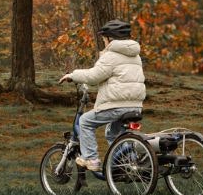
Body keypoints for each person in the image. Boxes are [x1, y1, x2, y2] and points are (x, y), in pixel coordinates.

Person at [58, 20, 146, 172]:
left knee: (85, 121)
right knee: (112, 133)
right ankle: (128, 164)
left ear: (110, 38)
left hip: (116, 105)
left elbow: (94, 76)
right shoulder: (135, 56)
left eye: (104, 39)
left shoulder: (111, 55)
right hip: (135, 105)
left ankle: (91, 159)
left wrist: (73, 75)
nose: (104, 42)